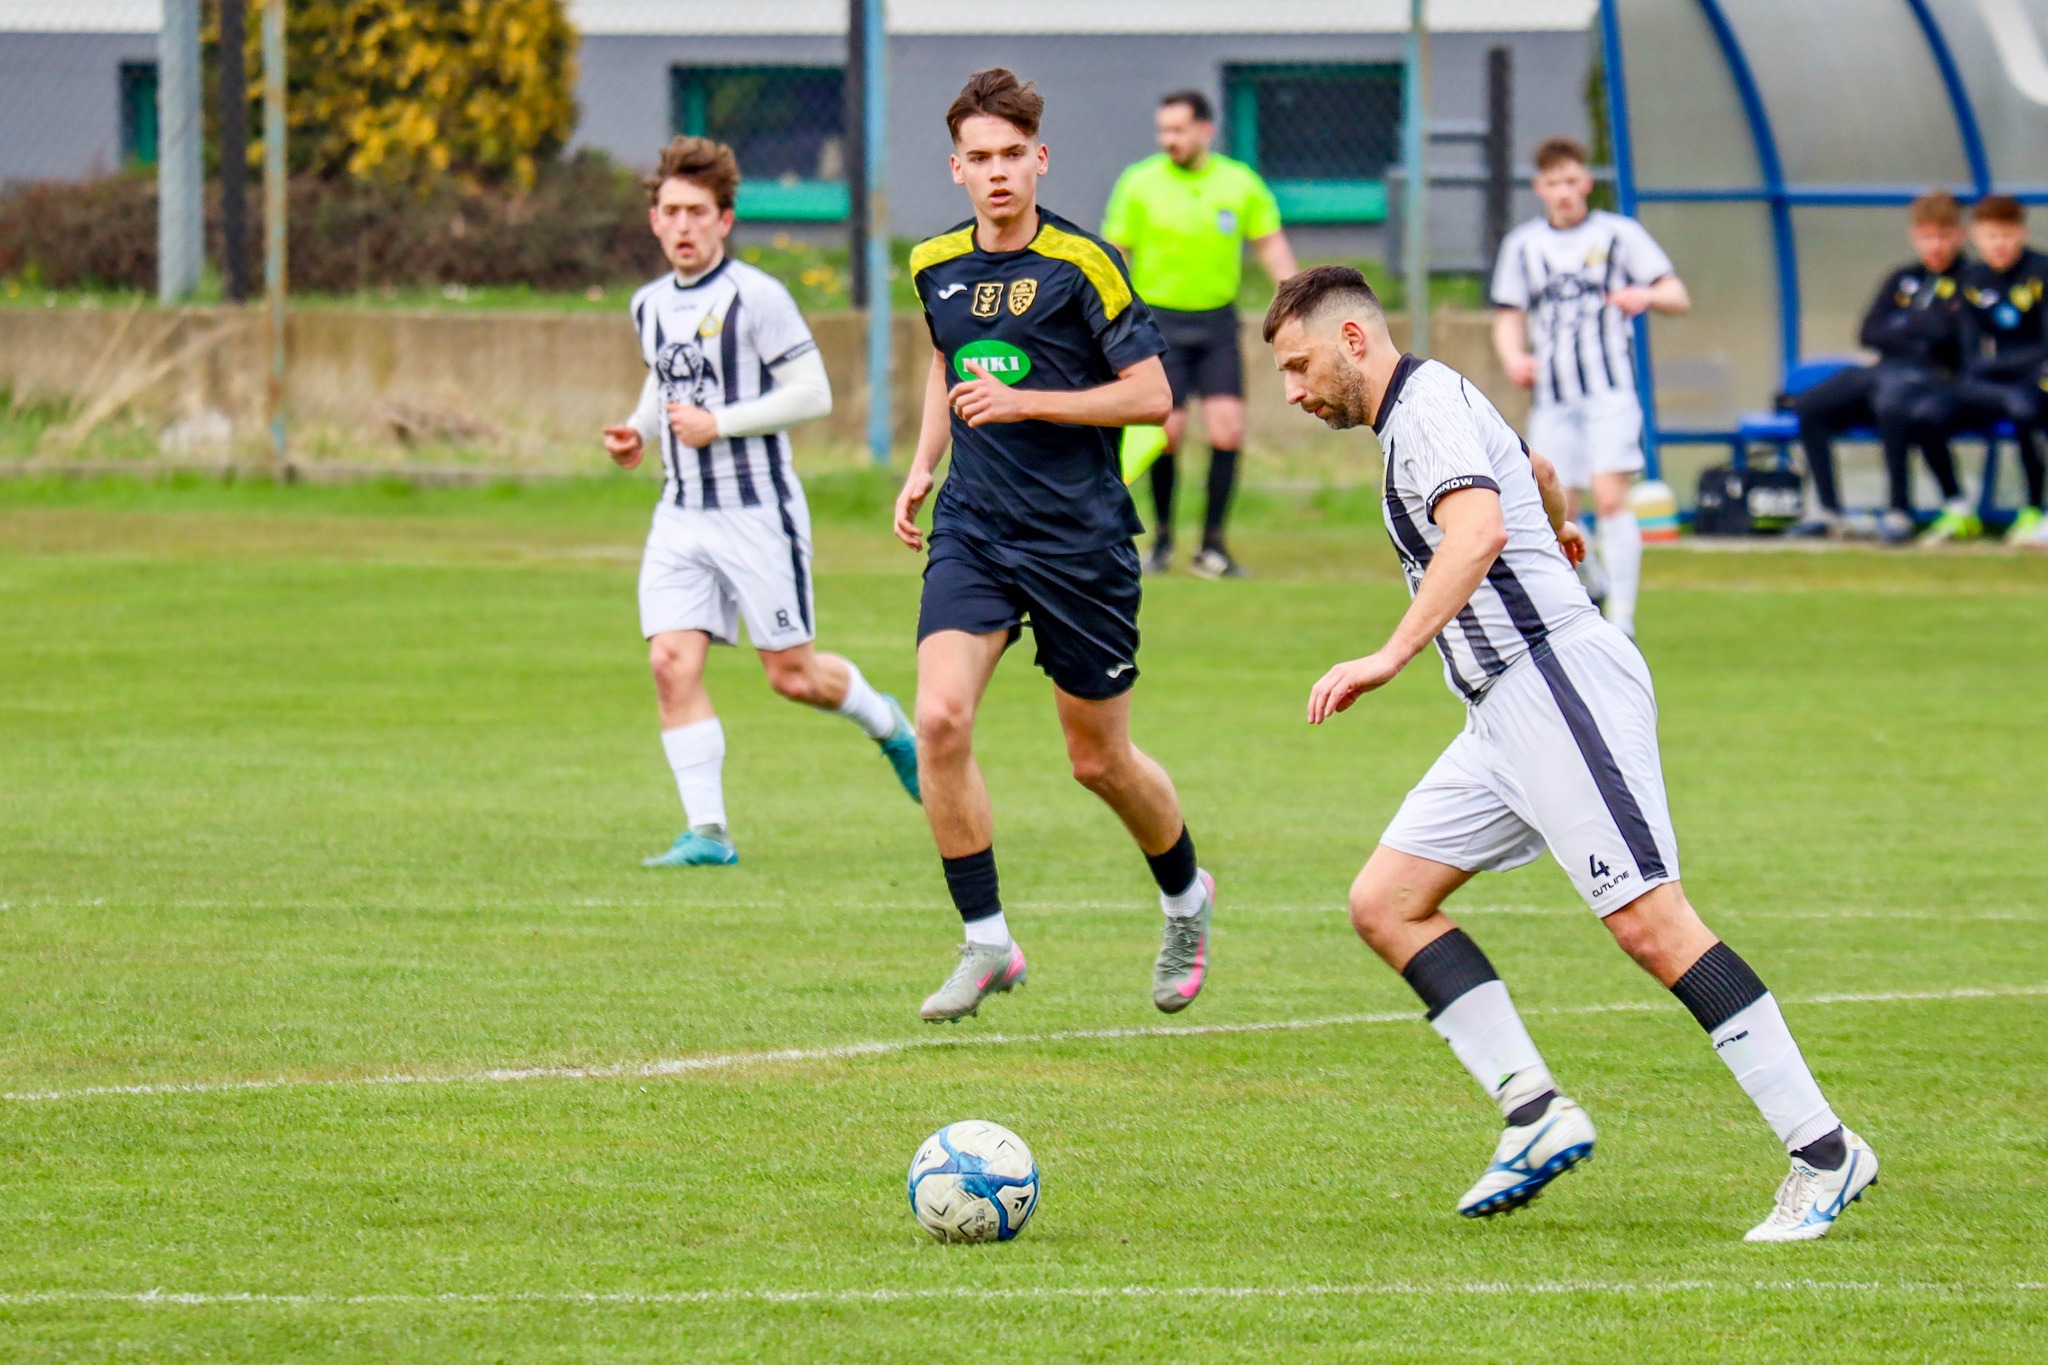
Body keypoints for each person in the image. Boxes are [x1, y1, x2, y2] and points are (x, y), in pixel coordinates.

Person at [1264, 265, 1876, 1241]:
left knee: (1651, 924)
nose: (1293, 392)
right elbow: (1535, 469)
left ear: (1352, 339)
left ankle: (1825, 1151)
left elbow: (1476, 530)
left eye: (1298, 366)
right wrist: (1558, 522)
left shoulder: (1423, 411)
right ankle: (1534, 1112)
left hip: (1551, 681)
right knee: (1385, 902)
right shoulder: (1433, 406)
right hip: (1499, 714)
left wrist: (1388, 654)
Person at [893, 69, 1214, 1023]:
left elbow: (1153, 396)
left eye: (1011, 155)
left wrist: (1028, 401)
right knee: (938, 720)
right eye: (978, 158)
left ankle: (1186, 900)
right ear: (956, 169)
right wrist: (923, 465)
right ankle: (987, 939)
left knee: (1097, 761)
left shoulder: (1086, 264)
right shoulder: (932, 264)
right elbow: (949, 359)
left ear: (1040, 158)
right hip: (976, 529)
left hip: (1080, 540)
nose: (997, 172)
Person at [602, 136, 920, 868]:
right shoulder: (648, 303)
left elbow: (814, 393)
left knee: (793, 677)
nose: (683, 225)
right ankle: (708, 833)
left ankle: (888, 724)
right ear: (654, 220)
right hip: (680, 512)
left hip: (756, 513)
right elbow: (664, 376)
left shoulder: (757, 296)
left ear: (725, 219)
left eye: (698, 212)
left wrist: (720, 424)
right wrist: (639, 430)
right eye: (670, 211)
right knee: (669, 663)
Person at [1491, 137, 1689, 637]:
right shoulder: (1523, 246)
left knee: (1610, 499)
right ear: (1539, 188)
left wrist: (1644, 295)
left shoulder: (1618, 235)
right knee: (1558, 508)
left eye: (1571, 180)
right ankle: (1594, 583)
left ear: (1586, 182)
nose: (1563, 192)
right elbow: (1509, 315)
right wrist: (1514, 357)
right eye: (1552, 183)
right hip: (1553, 397)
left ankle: (1622, 619)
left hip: (1609, 391)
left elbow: (1676, 294)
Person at [1102, 89, 1297, 579]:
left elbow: (1271, 246)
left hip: (1216, 324)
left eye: (1179, 129)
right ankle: (1162, 540)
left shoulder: (1239, 183)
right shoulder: (1139, 183)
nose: (1169, 139)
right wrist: (1108, 316)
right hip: (1157, 325)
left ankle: (1213, 546)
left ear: (1205, 131)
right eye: (1163, 130)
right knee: (1167, 433)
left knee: (1227, 428)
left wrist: (1298, 302)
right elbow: (1115, 251)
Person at [1788, 192, 1973, 542]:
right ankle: (1829, 511)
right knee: (1810, 405)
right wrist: (1919, 328)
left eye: (1943, 236)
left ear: (1959, 236)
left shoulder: (1972, 279)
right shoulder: (1902, 277)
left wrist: (1904, 325)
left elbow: (1950, 337)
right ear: (1914, 236)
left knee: (1892, 403)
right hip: (1883, 372)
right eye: (1927, 237)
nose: (1935, 246)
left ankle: (1898, 511)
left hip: (1934, 380)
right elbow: (1869, 332)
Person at [1909, 195, 2048, 545]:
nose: (1998, 244)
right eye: (1990, 236)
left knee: (2025, 409)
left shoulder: (2042, 272)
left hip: (2036, 379)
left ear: (2021, 234)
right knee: (1926, 413)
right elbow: (1969, 351)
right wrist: (1984, 369)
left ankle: (2034, 510)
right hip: (1994, 383)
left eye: (2006, 235)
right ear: (1975, 237)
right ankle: (1957, 506)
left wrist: (1994, 366)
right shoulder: (1973, 278)